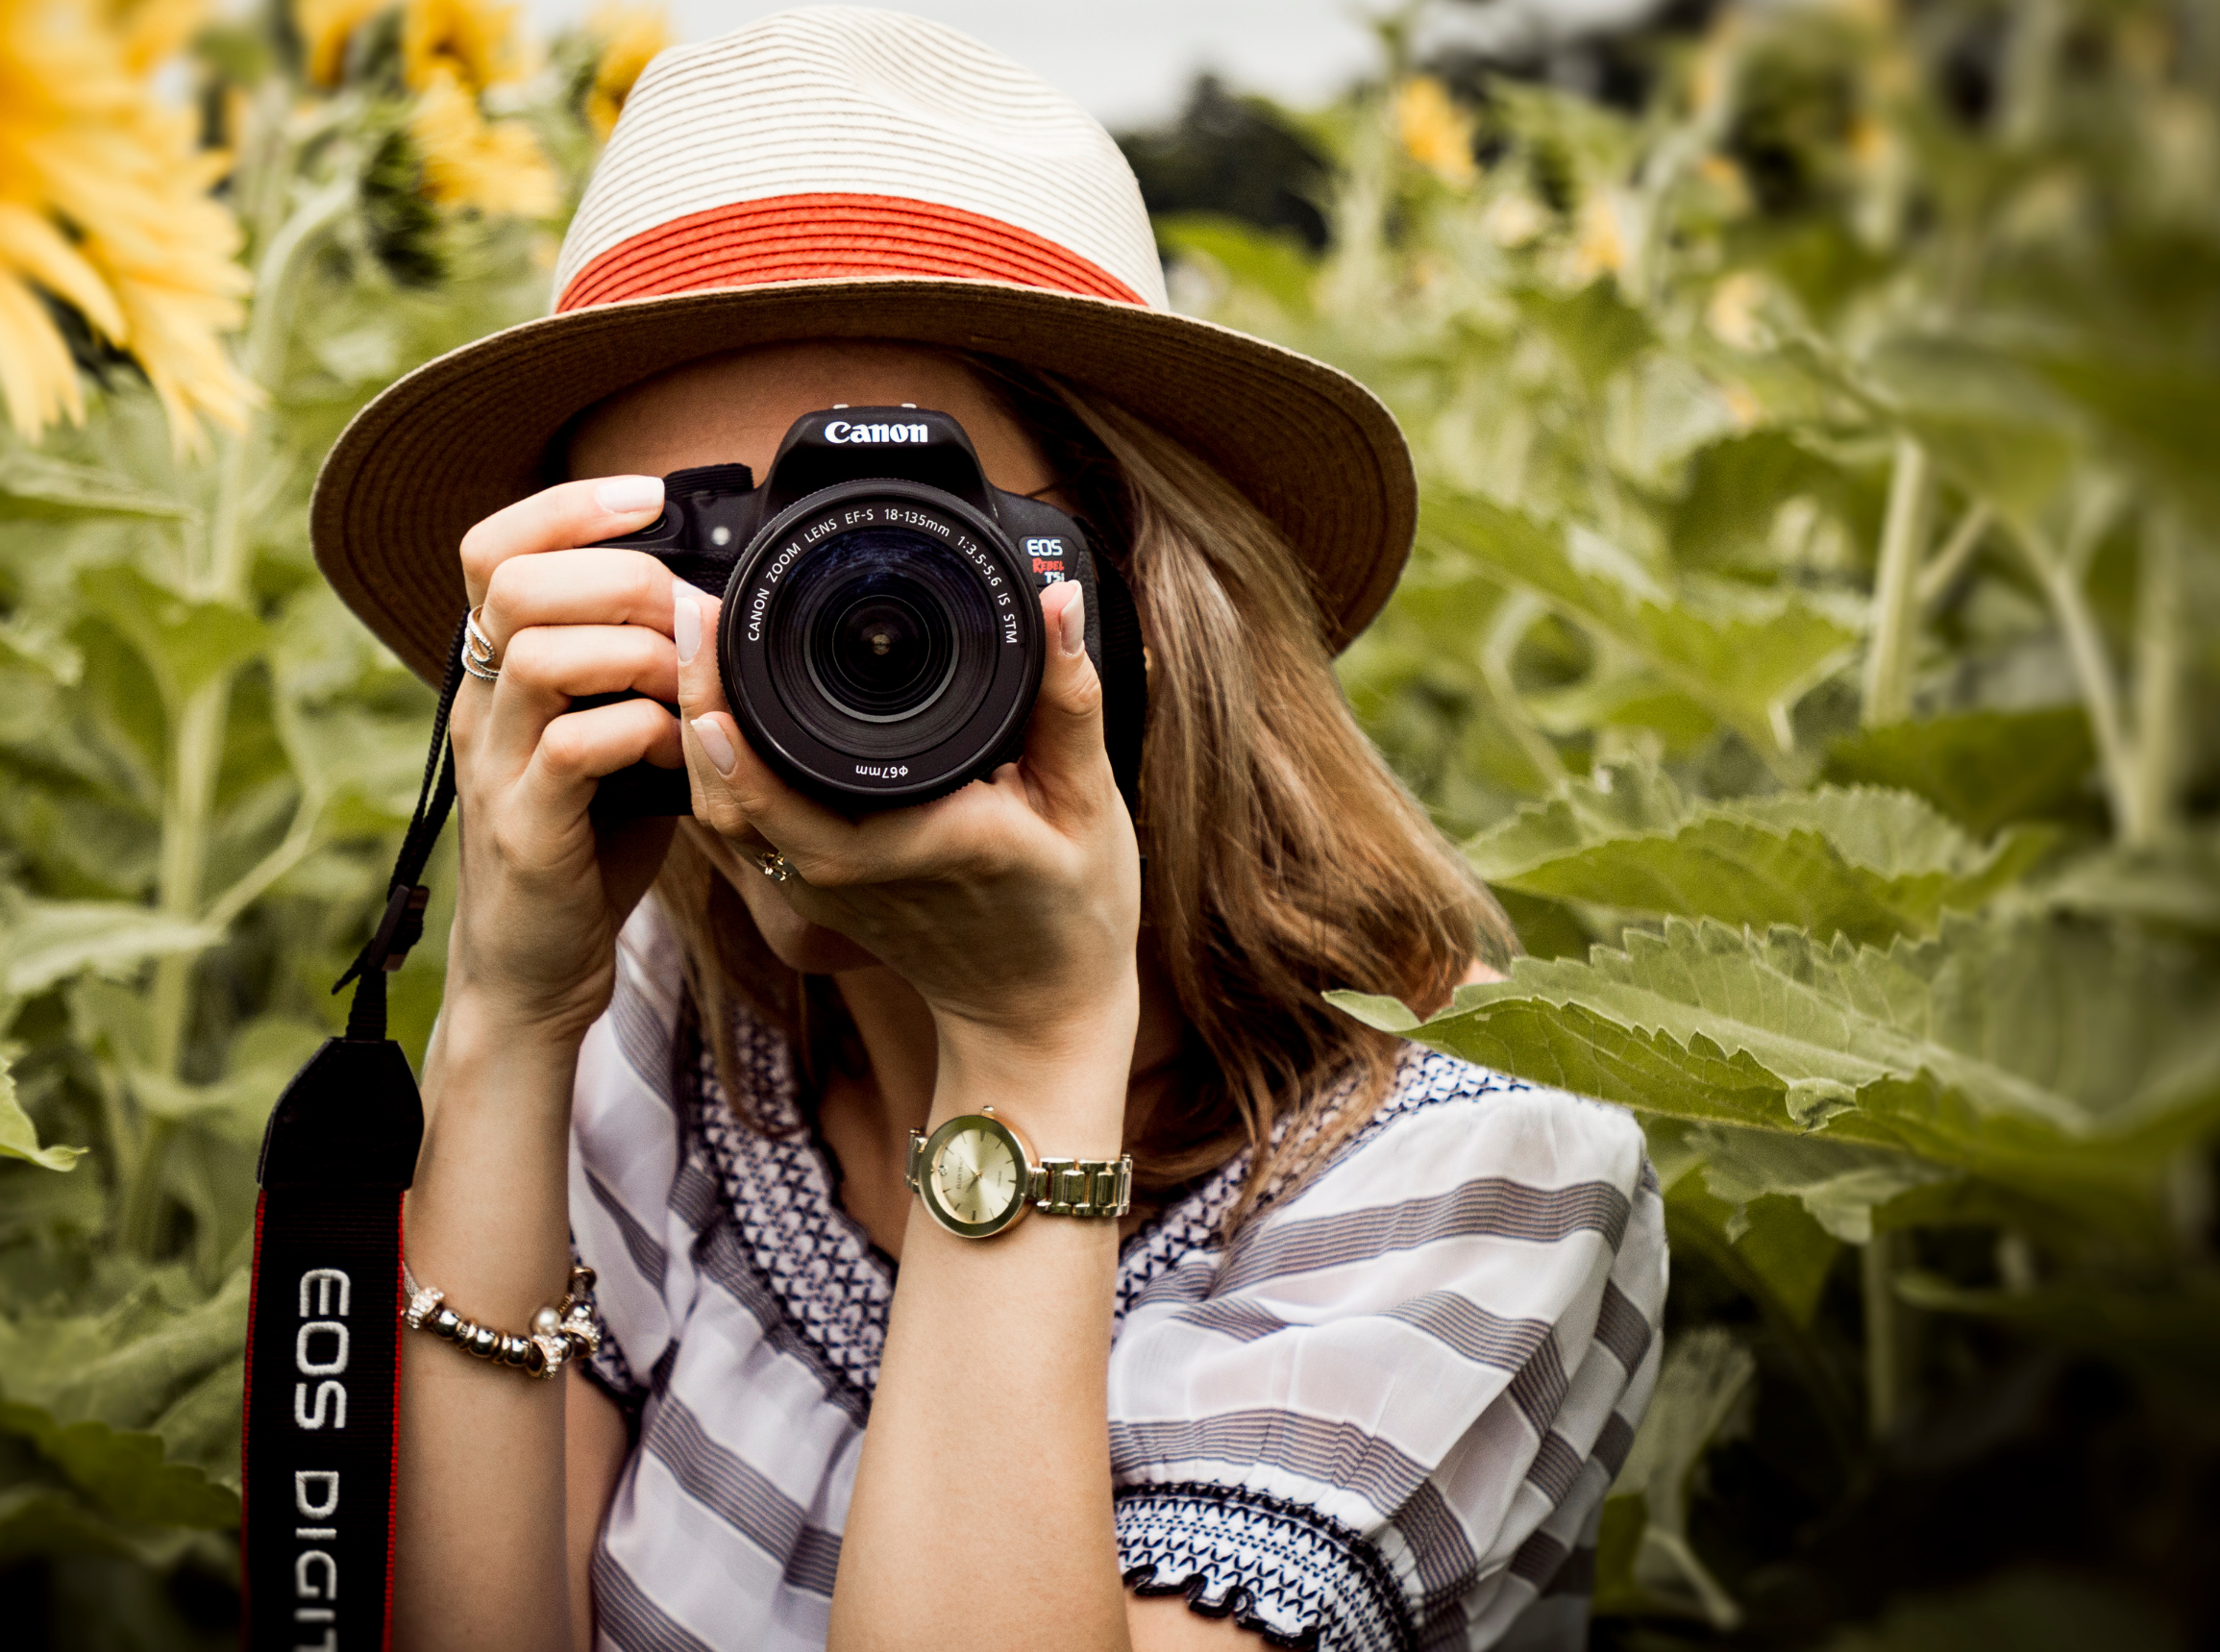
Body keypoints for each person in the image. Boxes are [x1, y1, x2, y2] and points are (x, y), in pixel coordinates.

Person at [308, 9, 1665, 1649]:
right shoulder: (666, 1021)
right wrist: (504, 1017)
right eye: (720, 568)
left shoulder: (1483, 1186)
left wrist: (1026, 1042)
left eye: (911, 552)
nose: (810, 634)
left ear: (1147, 599)